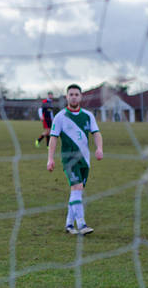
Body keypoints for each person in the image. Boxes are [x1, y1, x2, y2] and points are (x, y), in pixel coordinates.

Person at [47, 84, 103, 235]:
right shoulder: (60, 117)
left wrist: (99, 148)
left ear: (81, 97)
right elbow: (53, 139)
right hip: (69, 160)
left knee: (76, 191)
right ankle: (82, 224)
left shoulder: (88, 116)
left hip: (85, 160)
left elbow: (96, 133)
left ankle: (69, 225)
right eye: (71, 94)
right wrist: (50, 159)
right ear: (66, 97)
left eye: (76, 94)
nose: (73, 97)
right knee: (77, 188)